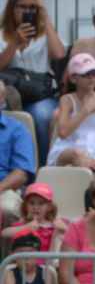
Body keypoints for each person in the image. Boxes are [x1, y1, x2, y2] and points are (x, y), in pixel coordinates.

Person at [2, 0, 68, 159]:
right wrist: (14, 43)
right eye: (22, 6)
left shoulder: (44, 32)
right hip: (11, 95)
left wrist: (46, 20)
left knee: (41, 116)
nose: (27, 11)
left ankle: (44, 166)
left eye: (32, 7)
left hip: (40, 94)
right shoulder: (2, 34)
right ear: (12, 8)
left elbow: (59, 54)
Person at [46, 52, 95, 169]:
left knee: (94, 162)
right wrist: (85, 110)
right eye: (86, 74)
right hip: (69, 149)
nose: (91, 78)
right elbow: (63, 133)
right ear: (73, 78)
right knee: (77, 155)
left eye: (94, 73)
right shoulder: (67, 100)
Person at [0, 80, 35, 220]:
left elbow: (21, 174)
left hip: (5, 188)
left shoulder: (17, 130)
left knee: (7, 209)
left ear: (2, 99)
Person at [2, 182, 65, 253]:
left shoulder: (53, 223)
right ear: (25, 206)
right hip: (23, 261)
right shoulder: (24, 222)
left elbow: (71, 236)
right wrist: (26, 227)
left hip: (47, 261)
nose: (35, 207)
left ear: (49, 207)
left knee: (59, 235)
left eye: (41, 203)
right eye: (31, 203)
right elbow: (4, 233)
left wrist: (63, 228)